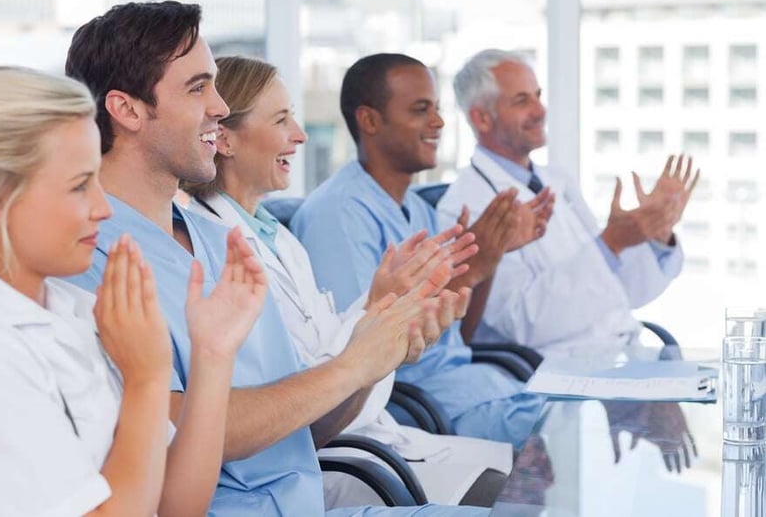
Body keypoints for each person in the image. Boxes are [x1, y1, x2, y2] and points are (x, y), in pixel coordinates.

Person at [65, 1, 484, 516]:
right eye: (198, 88)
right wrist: (352, 363)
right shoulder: (88, 258)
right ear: (127, 109)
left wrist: (377, 355)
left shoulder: (224, 242)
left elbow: (302, 428)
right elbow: (176, 433)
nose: (219, 107)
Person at [0, 66, 262, 517]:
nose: (102, 208)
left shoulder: (78, 311)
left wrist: (212, 355)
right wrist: (148, 380)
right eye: (79, 186)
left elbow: (176, 506)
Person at [183, 55, 515, 507]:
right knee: (518, 489)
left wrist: (385, 309)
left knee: (531, 479)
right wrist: (380, 313)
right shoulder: (212, 249)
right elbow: (304, 390)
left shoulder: (276, 236)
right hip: (329, 460)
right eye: (282, 120)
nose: (300, 135)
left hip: (369, 440)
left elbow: (329, 360)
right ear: (223, 138)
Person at [291, 53, 548, 446]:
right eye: (420, 110)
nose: (440, 123)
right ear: (370, 120)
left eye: (438, 109)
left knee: (590, 419)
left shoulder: (419, 209)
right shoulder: (339, 215)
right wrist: (472, 267)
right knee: (576, 441)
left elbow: (459, 332)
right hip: (424, 407)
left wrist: (488, 261)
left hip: (481, 387)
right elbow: (359, 347)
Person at [438, 49, 699, 354]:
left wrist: (654, 235)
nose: (540, 110)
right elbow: (522, 322)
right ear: (481, 118)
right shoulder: (464, 206)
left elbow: (621, 290)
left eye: (538, 96)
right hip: (558, 372)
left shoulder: (556, 181)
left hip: (621, 354)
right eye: (522, 101)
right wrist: (611, 244)